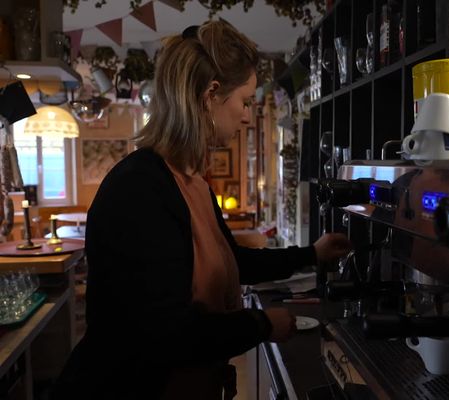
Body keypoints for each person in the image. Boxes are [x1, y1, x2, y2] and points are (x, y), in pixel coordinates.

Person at [51, 20, 352, 400]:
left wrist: (313, 254)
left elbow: (231, 261)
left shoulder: (191, 182)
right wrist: (261, 324)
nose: (247, 116)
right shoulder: (140, 189)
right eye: (244, 101)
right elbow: (167, 334)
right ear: (211, 95)